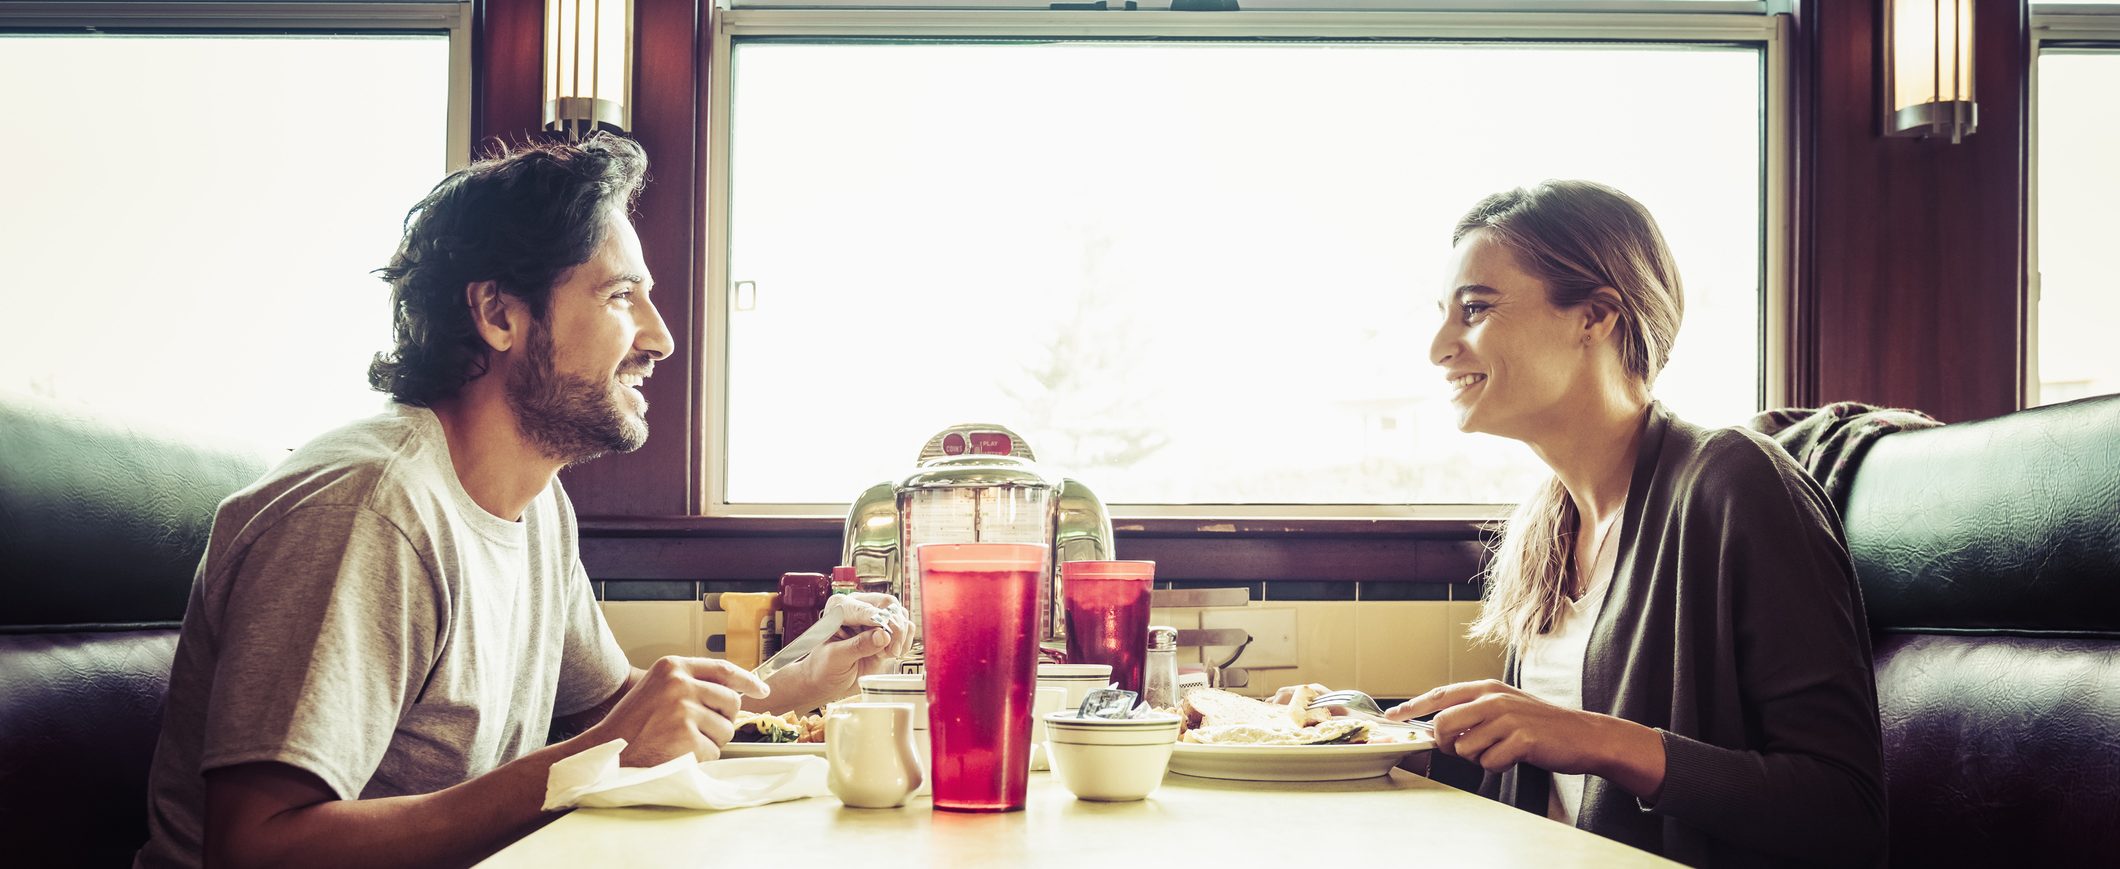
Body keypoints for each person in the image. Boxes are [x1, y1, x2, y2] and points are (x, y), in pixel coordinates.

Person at [135, 134, 909, 869]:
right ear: (499, 313)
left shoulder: (537, 505)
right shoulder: (373, 511)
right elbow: (256, 850)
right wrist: (584, 761)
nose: (661, 336)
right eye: (620, 296)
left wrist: (804, 680)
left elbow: (620, 714)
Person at [1287, 180, 1885, 867]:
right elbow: (1542, 785)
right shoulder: (1546, 526)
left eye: (1475, 309)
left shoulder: (1735, 485)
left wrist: (1600, 739)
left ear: (1595, 316)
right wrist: (1359, 732)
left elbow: (1846, 814)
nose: (1439, 347)